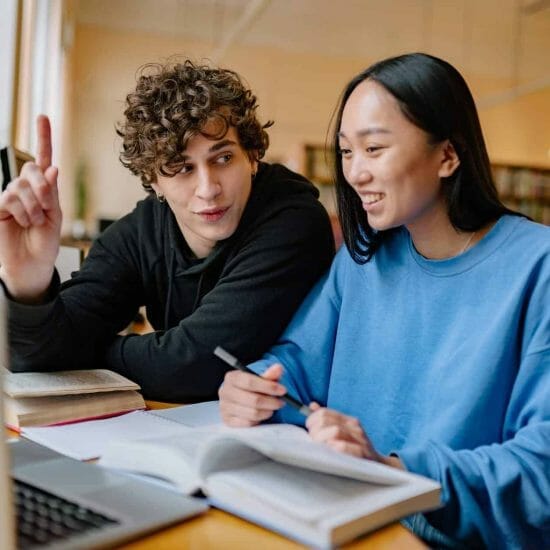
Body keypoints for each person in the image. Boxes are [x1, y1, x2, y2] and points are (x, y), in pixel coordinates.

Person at [218, 53, 550, 548]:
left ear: (448, 156)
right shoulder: (361, 262)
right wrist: (256, 388)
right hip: (345, 522)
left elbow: (540, 470)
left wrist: (395, 473)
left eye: (373, 148)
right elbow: (295, 363)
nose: (353, 173)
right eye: (347, 152)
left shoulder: (538, 266)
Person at [0, 60, 335, 402]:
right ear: (153, 180)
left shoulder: (294, 221)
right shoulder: (141, 231)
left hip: (300, 429)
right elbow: (36, 354)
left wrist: (76, 353)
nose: (208, 188)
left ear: (251, 157)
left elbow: (195, 366)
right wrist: (28, 284)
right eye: (181, 168)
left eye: (223, 159)